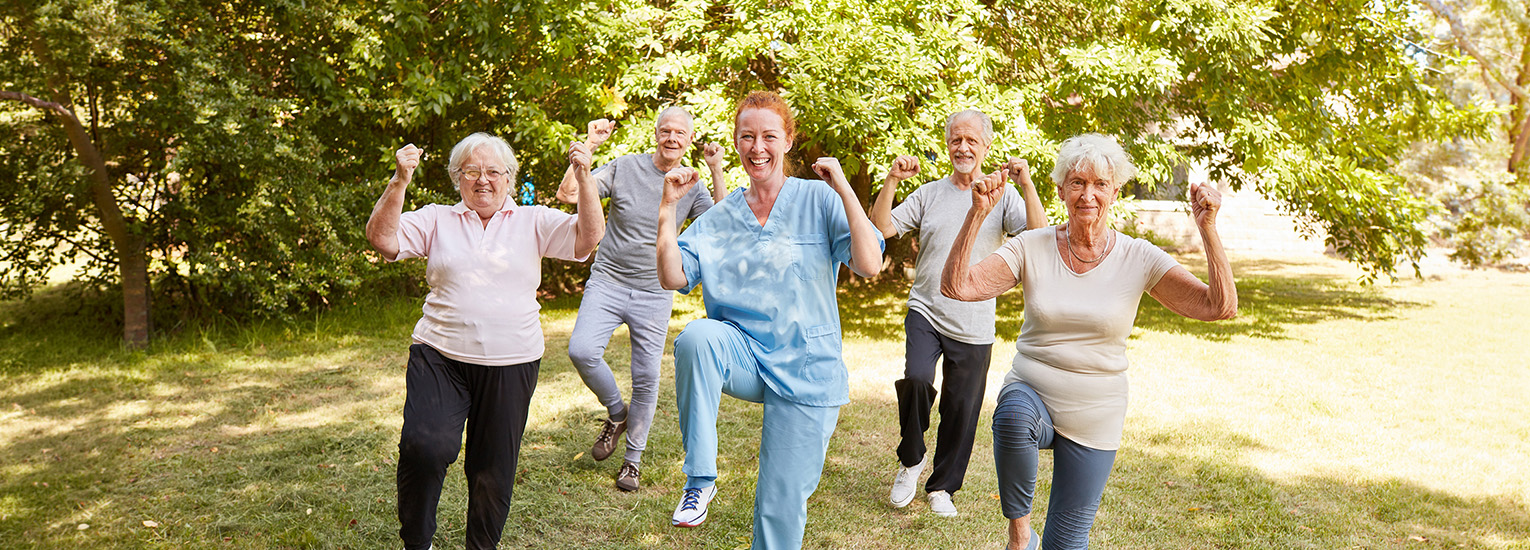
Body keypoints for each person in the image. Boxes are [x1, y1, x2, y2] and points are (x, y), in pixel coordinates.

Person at [940, 134, 1237, 550]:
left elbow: (1218, 305)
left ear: (1116, 192)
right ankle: (1020, 536)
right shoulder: (1032, 245)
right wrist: (977, 215)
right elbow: (958, 286)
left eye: (1100, 184)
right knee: (1011, 418)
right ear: (1060, 190)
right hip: (1033, 390)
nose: (1088, 194)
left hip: (1096, 411)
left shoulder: (1139, 256)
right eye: (1077, 183)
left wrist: (1207, 229)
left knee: (1066, 544)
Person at [654, 91, 884, 549]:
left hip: (806, 365)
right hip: (743, 355)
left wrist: (842, 186)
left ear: (788, 141)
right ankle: (700, 478)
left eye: (768, 137)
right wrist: (667, 210)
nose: (758, 147)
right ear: (736, 143)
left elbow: (869, 263)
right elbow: (672, 276)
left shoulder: (818, 198)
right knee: (697, 337)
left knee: (779, 507)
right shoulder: (720, 217)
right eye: (747, 137)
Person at [365, 133, 605, 550]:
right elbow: (382, 240)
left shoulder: (533, 220)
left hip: (513, 360)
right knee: (424, 447)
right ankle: (416, 543)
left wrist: (584, 178)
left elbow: (587, 239)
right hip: (439, 354)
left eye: (494, 171)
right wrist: (399, 180)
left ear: (510, 179)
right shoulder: (438, 218)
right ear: (458, 178)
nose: (483, 180)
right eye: (472, 171)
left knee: (492, 470)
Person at [868, 109, 1048, 517]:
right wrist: (892, 180)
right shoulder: (930, 193)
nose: (962, 148)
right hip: (926, 308)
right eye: (955, 140)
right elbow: (880, 229)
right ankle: (911, 457)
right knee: (915, 378)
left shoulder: (1003, 195)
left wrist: (1027, 183)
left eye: (971, 141)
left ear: (986, 146)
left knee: (960, 408)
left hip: (975, 319)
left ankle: (942, 488)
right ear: (947, 144)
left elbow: (1038, 237)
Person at [555, 108, 727, 491]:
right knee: (582, 350)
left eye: (679, 133)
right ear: (655, 134)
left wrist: (715, 169)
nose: (671, 138)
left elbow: (724, 225)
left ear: (688, 140)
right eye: (665, 130)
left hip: (655, 291)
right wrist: (589, 145)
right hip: (609, 280)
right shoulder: (625, 167)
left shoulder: (692, 184)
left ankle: (632, 460)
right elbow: (568, 194)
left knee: (647, 377)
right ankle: (617, 412)